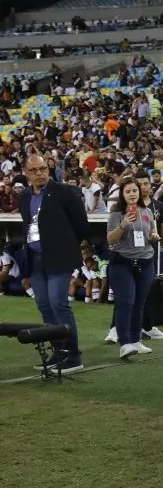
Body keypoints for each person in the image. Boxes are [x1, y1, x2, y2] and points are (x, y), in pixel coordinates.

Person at [19, 154, 89, 372]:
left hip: (59, 257)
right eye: (34, 170)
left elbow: (81, 225)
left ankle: (73, 355)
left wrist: (66, 246)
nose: (39, 173)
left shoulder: (64, 192)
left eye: (43, 169)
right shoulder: (25, 196)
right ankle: (58, 351)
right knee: (44, 305)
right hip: (35, 257)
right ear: (26, 173)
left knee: (59, 304)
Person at [103, 171, 163, 343]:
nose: (133, 194)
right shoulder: (116, 213)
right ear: (122, 194)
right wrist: (123, 224)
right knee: (126, 301)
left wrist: (153, 238)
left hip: (145, 261)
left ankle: (136, 341)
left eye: (135, 190)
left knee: (139, 304)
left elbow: (152, 233)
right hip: (122, 262)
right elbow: (110, 239)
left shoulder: (148, 212)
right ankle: (123, 340)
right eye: (128, 191)